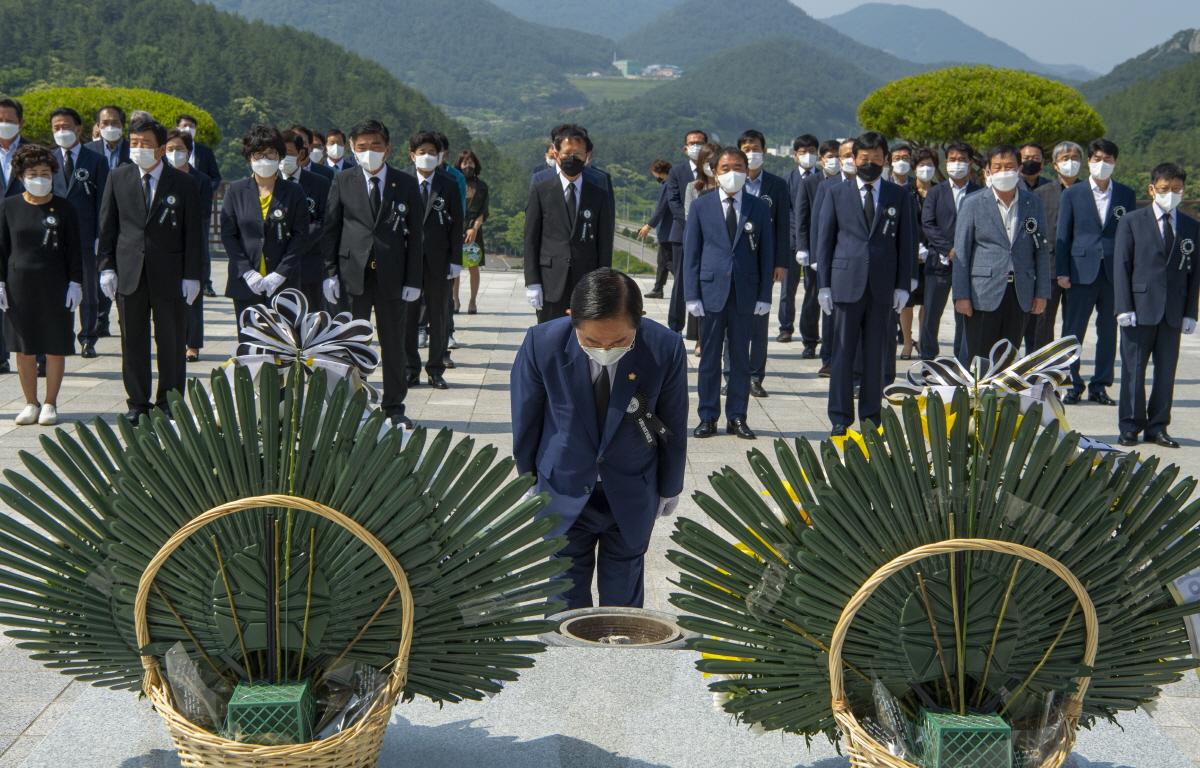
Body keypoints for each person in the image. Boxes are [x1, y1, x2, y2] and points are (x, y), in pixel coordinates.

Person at [510, 268, 687, 608]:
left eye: (619, 342)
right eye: (591, 341)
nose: (605, 350)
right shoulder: (542, 344)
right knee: (563, 600)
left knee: (623, 606)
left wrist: (670, 486)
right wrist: (528, 480)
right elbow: (526, 418)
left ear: (640, 320)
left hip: (632, 488)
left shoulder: (665, 348)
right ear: (571, 318)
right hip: (564, 484)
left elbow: (674, 425)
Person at [97, 117, 203, 422]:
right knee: (132, 342)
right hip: (129, 273)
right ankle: (138, 403)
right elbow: (108, 227)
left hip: (170, 275)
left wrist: (193, 275)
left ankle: (169, 402)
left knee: (170, 341)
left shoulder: (183, 183)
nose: (139, 148)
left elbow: (193, 234)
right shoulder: (118, 177)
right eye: (135, 142)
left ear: (160, 149)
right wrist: (106, 267)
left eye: (145, 144)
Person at [321, 119, 424, 428]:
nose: (369, 152)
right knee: (351, 342)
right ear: (353, 149)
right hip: (353, 274)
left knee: (393, 342)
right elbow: (331, 228)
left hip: (393, 276)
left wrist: (413, 279)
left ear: (388, 149)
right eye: (362, 147)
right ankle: (353, 401)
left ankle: (394, 405)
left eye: (375, 146)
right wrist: (330, 273)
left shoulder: (404, 183)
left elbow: (416, 235)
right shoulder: (344, 180)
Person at [816, 132, 915, 435]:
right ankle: (839, 418)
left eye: (876, 159)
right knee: (842, 354)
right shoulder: (835, 192)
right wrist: (823, 285)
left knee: (876, 356)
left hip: (882, 286)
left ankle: (871, 418)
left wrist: (904, 284)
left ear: (885, 160)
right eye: (863, 159)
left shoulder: (899, 195)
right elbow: (825, 240)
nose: (869, 164)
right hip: (845, 283)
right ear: (853, 159)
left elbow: (908, 242)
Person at [684, 146, 773, 440]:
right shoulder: (701, 206)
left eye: (738, 167)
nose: (732, 173)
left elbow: (767, 255)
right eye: (725, 168)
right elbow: (692, 254)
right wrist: (691, 295)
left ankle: (737, 416)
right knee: (709, 358)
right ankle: (708, 416)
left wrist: (765, 295)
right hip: (710, 292)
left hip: (745, 293)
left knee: (739, 359)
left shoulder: (758, 207)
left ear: (747, 172)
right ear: (714, 171)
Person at [1113, 162, 1198, 449]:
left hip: (1173, 311)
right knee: (1133, 371)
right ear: (1152, 189)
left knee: (1165, 373)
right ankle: (1129, 426)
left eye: (1176, 189)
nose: (1170, 194)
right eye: (1164, 189)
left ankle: (1158, 426)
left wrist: (1191, 312)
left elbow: (1194, 273)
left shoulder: (1191, 226)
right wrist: (1123, 307)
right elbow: (1121, 266)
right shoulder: (1132, 221)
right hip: (1139, 308)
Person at [0, 144, 83, 425]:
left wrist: (76, 282)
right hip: (18, 285)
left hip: (56, 284)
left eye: (45, 173)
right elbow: (2, 248)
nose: (39, 178)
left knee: (54, 344)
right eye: (33, 173)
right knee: (23, 346)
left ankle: (50, 402)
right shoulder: (8, 206)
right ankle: (31, 402)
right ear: (21, 176)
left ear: (53, 175)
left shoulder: (64, 207)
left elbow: (75, 249)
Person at [952, 144, 1051, 362]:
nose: (1004, 172)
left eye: (1010, 166)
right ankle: (976, 396)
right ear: (987, 171)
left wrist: (1042, 292)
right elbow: (962, 251)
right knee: (978, 358)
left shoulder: (1032, 203)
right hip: (982, 293)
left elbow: (1042, 250)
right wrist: (961, 295)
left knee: (1008, 357)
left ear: (1019, 169)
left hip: (1020, 291)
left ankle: (1003, 397)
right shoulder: (973, 203)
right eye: (998, 167)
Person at [1056, 138, 1136, 405]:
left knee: (1108, 331)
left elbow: (1131, 237)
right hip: (1080, 271)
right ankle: (1072, 382)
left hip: (1113, 273)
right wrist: (1062, 271)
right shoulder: (1072, 194)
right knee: (1072, 330)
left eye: (1108, 160)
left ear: (1115, 163)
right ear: (1089, 161)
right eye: (1098, 159)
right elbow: (1063, 235)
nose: (1103, 165)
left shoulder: (1126, 194)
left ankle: (1100, 385)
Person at [220, 125, 307, 335]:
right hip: (245, 283)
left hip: (283, 283)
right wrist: (247, 272)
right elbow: (228, 235)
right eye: (258, 154)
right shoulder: (236, 190)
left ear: (279, 156)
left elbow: (300, 235)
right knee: (251, 344)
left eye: (270, 154)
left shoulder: (293, 191)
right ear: (249, 157)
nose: (265, 160)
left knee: (285, 345)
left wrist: (280, 273)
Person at [524, 124, 614, 323]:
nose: (572, 158)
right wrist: (532, 282)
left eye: (578, 153)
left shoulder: (598, 193)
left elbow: (605, 241)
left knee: (584, 339)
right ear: (556, 154)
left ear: (587, 155)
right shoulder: (541, 189)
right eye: (567, 153)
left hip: (586, 279)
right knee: (550, 339)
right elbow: (531, 238)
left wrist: (603, 282)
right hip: (550, 280)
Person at [723, 129, 789, 399]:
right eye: (746, 148)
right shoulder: (727, 183)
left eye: (756, 148)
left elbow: (784, 226)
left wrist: (781, 262)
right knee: (730, 323)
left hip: (764, 262)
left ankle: (754, 376)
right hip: (734, 261)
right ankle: (730, 376)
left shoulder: (777, 185)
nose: (752, 152)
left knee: (758, 323)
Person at [404, 131, 463, 390]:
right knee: (408, 316)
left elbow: (456, 224)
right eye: (421, 152)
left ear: (439, 156)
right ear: (411, 155)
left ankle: (436, 368)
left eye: (431, 152)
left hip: (439, 261)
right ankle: (410, 368)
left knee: (439, 316)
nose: (426, 157)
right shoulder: (402, 182)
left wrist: (455, 259)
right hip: (407, 261)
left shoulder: (448, 184)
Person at [50, 107, 108, 360]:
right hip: (53, 238)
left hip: (85, 237)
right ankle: (60, 337)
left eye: (66, 126)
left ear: (79, 128)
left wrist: (100, 236)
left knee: (88, 290)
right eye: (56, 128)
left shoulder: (95, 160)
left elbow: (103, 202)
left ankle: (88, 338)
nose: (62, 132)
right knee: (56, 290)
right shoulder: (48, 160)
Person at [799, 137, 857, 377]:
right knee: (830, 311)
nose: (849, 160)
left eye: (854, 155)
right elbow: (818, 224)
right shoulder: (828, 186)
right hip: (832, 259)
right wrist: (814, 254)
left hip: (859, 261)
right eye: (845, 156)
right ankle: (829, 358)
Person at [920, 140, 979, 362]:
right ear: (946, 164)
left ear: (970, 163)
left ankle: (962, 359)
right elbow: (928, 224)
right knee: (931, 315)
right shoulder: (936, 192)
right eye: (953, 160)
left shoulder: (980, 192)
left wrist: (964, 250)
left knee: (963, 314)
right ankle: (927, 358)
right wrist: (948, 249)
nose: (957, 164)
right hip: (939, 264)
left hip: (969, 265)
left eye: (962, 160)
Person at [163, 129, 212, 362]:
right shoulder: (160, 177)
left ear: (189, 152)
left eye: (179, 149)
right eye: (170, 149)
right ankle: (172, 341)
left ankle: (192, 344)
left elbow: (202, 214)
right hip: (165, 246)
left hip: (193, 243)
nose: (174, 154)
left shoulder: (201, 180)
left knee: (193, 298)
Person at [1029, 140, 1083, 350]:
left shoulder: (1088, 192)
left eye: (1075, 158)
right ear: (1054, 164)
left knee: (1074, 325)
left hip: (1079, 268)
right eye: (1065, 158)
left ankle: (1068, 370)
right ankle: (1040, 370)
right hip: (1048, 267)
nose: (1070, 162)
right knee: (1042, 323)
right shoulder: (1041, 193)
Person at [790, 138, 839, 359]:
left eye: (839, 156)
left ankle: (831, 343)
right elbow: (802, 218)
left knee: (834, 299)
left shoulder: (845, 183)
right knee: (812, 296)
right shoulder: (810, 183)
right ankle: (809, 340)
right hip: (813, 251)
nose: (835, 161)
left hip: (838, 252)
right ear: (821, 160)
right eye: (830, 157)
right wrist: (803, 247)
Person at [279, 128, 331, 313]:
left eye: (289, 153)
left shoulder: (320, 183)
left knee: (313, 318)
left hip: (310, 264)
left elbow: (324, 220)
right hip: (277, 266)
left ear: (301, 153)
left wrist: (296, 243)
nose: (283, 158)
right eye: (279, 153)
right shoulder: (269, 182)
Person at [663, 129, 708, 334]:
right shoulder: (677, 172)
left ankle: (698, 331)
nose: (696, 146)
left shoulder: (711, 171)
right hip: (682, 234)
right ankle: (675, 327)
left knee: (703, 283)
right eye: (692, 143)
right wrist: (692, 223)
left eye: (700, 142)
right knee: (681, 282)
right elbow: (673, 202)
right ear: (685, 148)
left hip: (709, 237)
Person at [778, 133, 819, 345]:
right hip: (791, 242)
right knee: (788, 288)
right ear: (795, 155)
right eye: (803, 152)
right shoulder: (787, 179)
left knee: (813, 291)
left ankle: (810, 332)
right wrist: (795, 236)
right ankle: (785, 327)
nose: (808, 156)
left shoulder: (822, 179)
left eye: (812, 152)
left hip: (816, 243)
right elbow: (786, 212)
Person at [682, 143, 721, 356]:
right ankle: (700, 338)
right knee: (699, 296)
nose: (709, 165)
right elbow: (689, 216)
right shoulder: (694, 187)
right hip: (700, 244)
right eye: (706, 161)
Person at [901, 147, 937, 360]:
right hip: (910, 255)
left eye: (930, 165)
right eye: (922, 165)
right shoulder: (905, 192)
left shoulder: (940, 191)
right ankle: (907, 341)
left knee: (928, 302)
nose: (926, 169)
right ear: (914, 168)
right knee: (907, 303)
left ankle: (924, 341)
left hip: (934, 255)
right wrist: (913, 247)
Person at [0, 97, 28, 374]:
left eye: (9, 120)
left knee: (24, 295)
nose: (3, 125)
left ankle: (36, 353)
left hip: (23, 233)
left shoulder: (33, 153)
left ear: (20, 122)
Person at [456, 149, 488, 315]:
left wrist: (474, 227)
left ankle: (473, 300)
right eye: (465, 163)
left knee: (472, 266)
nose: (468, 166)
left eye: (471, 163)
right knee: (455, 267)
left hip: (475, 231)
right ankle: (455, 300)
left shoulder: (482, 186)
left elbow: (484, 211)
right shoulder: (454, 182)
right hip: (455, 228)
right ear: (459, 165)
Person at [639, 159, 673, 299]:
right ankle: (658, 289)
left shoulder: (668, 185)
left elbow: (661, 209)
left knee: (669, 263)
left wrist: (649, 225)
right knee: (662, 262)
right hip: (668, 230)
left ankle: (685, 284)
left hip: (668, 230)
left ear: (657, 172)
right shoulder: (672, 183)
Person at [86, 105, 130, 172]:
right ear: (98, 125)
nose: (110, 127)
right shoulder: (87, 150)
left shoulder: (132, 149)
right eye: (105, 123)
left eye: (115, 123)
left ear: (123, 124)